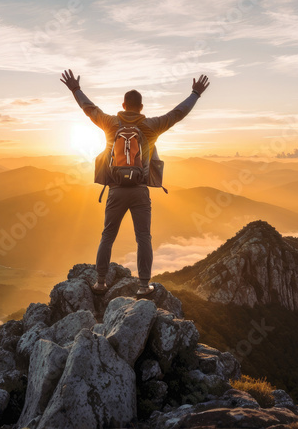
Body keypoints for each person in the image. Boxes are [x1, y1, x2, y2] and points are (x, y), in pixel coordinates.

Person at [60, 69, 210, 296]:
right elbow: (178, 113)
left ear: (123, 104)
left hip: (116, 190)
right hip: (140, 191)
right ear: (141, 107)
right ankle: (143, 286)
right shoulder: (151, 126)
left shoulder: (111, 123)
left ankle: (100, 283)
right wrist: (195, 93)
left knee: (107, 236)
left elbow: (89, 109)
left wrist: (75, 88)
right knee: (143, 238)